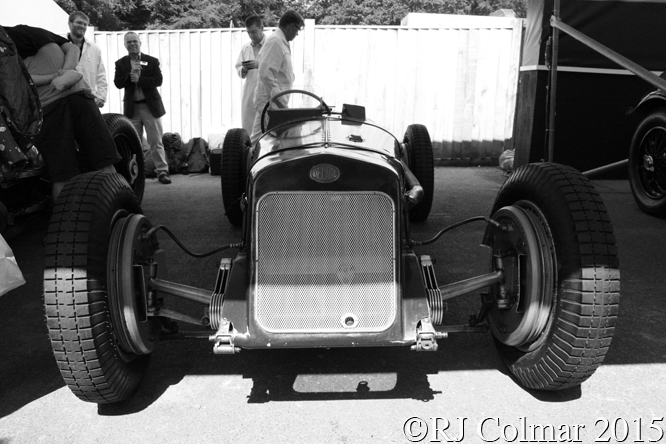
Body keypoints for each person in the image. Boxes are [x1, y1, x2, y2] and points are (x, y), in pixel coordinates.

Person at [5, 24, 120, 200]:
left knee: (64, 176)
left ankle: (68, 224)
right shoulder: (28, 31)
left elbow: (13, 83)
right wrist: (62, 74)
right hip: (75, 98)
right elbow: (71, 49)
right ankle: (123, 211)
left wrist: (62, 74)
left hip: (52, 107)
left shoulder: (16, 37)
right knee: (103, 162)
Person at [114, 32, 170, 184]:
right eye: (129, 42)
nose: (132, 44)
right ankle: (136, 173)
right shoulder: (120, 64)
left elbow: (158, 80)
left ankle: (162, 171)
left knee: (155, 141)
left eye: (134, 41)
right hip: (132, 108)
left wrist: (141, 80)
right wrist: (128, 76)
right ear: (124, 45)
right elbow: (118, 83)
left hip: (150, 107)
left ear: (140, 42)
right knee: (134, 144)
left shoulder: (151, 61)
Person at [250, 9, 305, 143]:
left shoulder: (280, 41)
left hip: (274, 103)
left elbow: (278, 72)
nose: (297, 34)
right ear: (291, 26)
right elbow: (266, 73)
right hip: (270, 104)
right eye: (297, 29)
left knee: (259, 141)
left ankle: (247, 159)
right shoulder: (275, 41)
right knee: (268, 143)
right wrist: (278, 99)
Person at [67, 11, 107, 108]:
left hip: (89, 98)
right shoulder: (60, 45)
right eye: (79, 23)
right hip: (66, 98)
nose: (82, 26)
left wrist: (101, 97)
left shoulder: (94, 48)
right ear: (70, 24)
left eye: (85, 24)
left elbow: (101, 74)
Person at [234, 15, 265, 136]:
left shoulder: (270, 45)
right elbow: (238, 68)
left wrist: (260, 64)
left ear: (261, 28)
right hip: (250, 91)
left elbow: (276, 68)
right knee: (248, 126)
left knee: (265, 127)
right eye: (248, 33)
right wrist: (244, 69)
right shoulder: (245, 48)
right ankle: (249, 153)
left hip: (265, 92)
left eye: (254, 32)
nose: (251, 35)